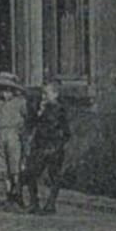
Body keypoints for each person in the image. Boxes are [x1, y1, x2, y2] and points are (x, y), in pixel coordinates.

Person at [21, 79, 70, 215]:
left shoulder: (60, 110)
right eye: (42, 94)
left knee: (54, 176)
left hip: (53, 148)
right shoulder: (40, 107)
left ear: (55, 94)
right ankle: (34, 203)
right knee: (31, 174)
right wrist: (39, 112)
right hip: (39, 147)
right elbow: (32, 124)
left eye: (46, 94)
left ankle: (50, 204)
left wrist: (58, 146)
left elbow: (67, 132)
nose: (43, 97)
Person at [0, 73, 29, 209]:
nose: (4, 93)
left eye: (8, 89)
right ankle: (8, 195)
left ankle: (18, 196)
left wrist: (23, 135)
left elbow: (27, 119)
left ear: (14, 90)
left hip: (13, 135)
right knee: (3, 168)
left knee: (15, 166)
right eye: (2, 89)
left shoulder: (20, 103)